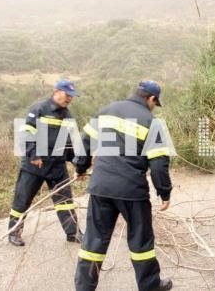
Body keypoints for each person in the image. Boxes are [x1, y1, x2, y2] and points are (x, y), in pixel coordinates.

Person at [74, 80, 173, 291]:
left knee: (94, 242)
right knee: (141, 242)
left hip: (100, 187)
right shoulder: (151, 121)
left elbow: (85, 142)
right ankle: (150, 286)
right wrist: (164, 192)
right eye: (155, 103)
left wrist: (80, 168)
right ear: (151, 99)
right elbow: (158, 164)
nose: (154, 107)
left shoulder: (107, 110)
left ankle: (84, 287)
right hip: (131, 190)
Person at [8, 80, 83, 246]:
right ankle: (14, 232)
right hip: (35, 165)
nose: (69, 98)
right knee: (22, 200)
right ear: (56, 91)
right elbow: (26, 133)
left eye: (72, 96)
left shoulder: (68, 116)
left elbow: (70, 144)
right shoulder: (39, 109)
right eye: (67, 94)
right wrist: (33, 154)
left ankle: (73, 233)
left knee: (65, 201)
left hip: (57, 166)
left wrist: (78, 163)